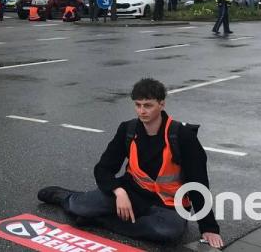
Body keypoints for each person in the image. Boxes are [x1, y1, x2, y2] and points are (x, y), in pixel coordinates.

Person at [37, 78, 224, 249]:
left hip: (168, 205)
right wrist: (119, 192)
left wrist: (209, 227)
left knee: (167, 231)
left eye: (148, 105)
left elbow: (198, 183)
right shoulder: (128, 130)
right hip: (130, 194)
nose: (142, 111)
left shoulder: (182, 136)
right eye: (138, 105)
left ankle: (100, 220)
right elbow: (103, 169)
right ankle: (66, 197)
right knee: (81, 207)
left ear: (161, 104)